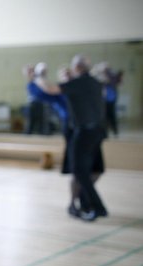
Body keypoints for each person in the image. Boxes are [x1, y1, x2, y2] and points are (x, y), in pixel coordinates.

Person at [60, 55, 108, 221]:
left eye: (69, 71)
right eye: (64, 74)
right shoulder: (71, 88)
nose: (67, 75)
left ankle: (86, 202)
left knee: (92, 171)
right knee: (78, 173)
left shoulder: (83, 85)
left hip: (89, 133)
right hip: (75, 133)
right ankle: (75, 204)